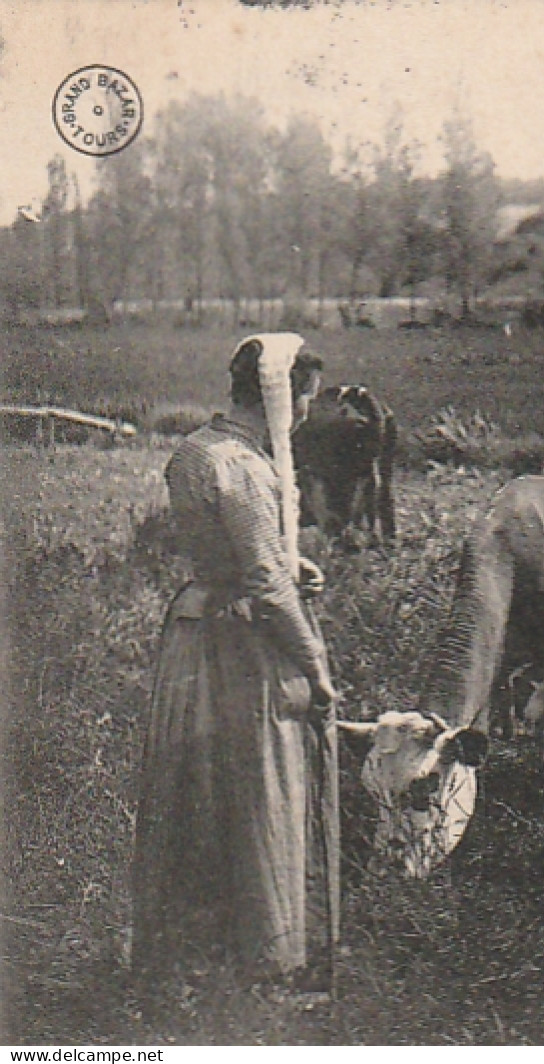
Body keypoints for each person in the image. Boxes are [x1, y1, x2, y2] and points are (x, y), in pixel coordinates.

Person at [131, 334, 340, 996]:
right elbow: (263, 582)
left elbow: (224, 549)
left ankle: (188, 950)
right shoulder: (246, 466)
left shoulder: (194, 450)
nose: (307, 410)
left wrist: (286, 561)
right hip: (238, 645)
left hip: (192, 633)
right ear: (284, 396)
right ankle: (264, 955)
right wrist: (314, 667)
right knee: (259, 786)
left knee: (195, 789)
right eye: (306, 396)